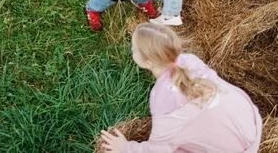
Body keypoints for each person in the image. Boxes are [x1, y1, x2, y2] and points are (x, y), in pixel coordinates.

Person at [100, 23, 263, 153]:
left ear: (148, 62)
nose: (131, 50)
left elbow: (158, 149)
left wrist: (125, 148)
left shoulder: (163, 100)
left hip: (238, 149)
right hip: (251, 122)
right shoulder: (189, 60)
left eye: (134, 49)